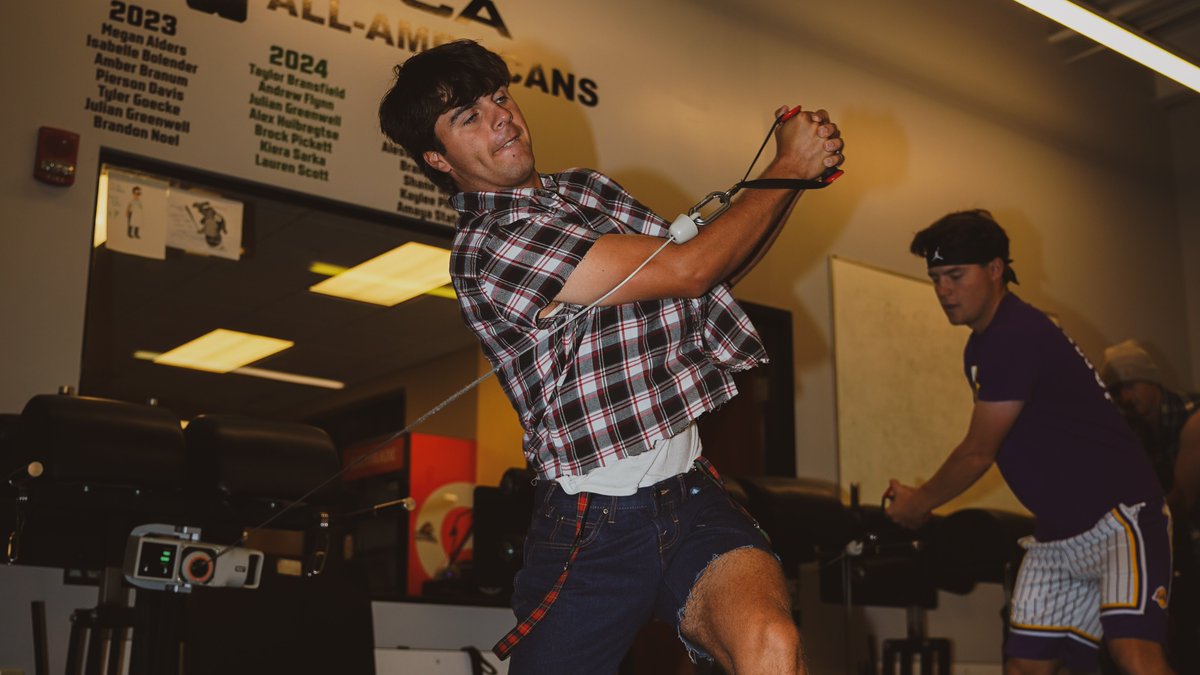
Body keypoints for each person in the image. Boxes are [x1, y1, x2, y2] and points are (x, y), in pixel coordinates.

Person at [379, 40, 843, 674]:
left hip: (690, 496)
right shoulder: (487, 246)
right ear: (438, 159)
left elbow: (707, 275)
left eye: (499, 97)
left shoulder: (586, 189)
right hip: (589, 527)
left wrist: (797, 178)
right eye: (468, 117)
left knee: (772, 644)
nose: (501, 117)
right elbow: (688, 268)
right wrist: (789, 168)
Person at [884, 210, 1175, 675]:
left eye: (956, 275)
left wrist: (919, 503)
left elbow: (978, 452)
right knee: (1025, 666)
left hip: (1120, 519)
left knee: (1134, 654)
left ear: (996, 269)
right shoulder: (979, 347)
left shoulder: (1015, 334)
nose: (944, 291)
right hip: (1058, 535)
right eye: (936, 278)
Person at [1101, 340, 1200, 672]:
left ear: (1152, 381)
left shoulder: (1194, 418)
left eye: (1131, 385)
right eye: (1117, 391)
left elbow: (1182, 499)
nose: (1126, 398)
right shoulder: (1134, 429)